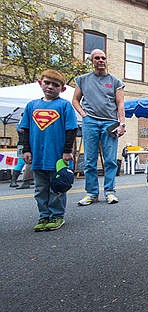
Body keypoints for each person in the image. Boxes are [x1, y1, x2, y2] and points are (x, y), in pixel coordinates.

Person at [19, 69, 78, 231]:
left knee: (57, 187)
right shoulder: (32, 106)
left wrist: (67, 150)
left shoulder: (64, 105)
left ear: (62, 89)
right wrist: (26, 150)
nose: (50, 87)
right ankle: (43, 216)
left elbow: (71, 129)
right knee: (40, 188)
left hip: (57, 157)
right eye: (47, 83)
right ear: (40, 83)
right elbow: (24, 129)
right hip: (38, 157)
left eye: (55, 85)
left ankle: (57, 215)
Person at [72, 49, 126, 206]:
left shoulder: (115, 82)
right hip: (90, 122)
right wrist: (83, 115)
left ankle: (110, 192)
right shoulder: (82, 80)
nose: (100, 60)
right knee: (89, 160)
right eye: (97, 58)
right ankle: (91, 193)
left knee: (110, 160)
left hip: (110, 123)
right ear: (92, 60)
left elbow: (120, 104)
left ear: (106, 60)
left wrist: (122, 124)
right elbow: (75, 100)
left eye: (103, 58)